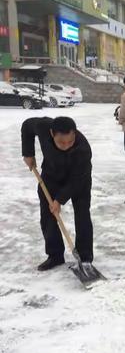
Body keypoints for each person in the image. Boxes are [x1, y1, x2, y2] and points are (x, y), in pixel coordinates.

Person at [21, 116, 94, 271]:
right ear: (51, 133)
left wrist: (59, 200)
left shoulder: (83, 149)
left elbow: (77, 180)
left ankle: (85, 257)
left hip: (78, 180)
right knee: (48, 216)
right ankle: (55, 256)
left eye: (70, 141)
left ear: (74, 134)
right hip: (51, 177)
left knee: (82, 214)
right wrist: (28, 153)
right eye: (61, 142)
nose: (66, 146)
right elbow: (27, 126)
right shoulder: (42, 126)